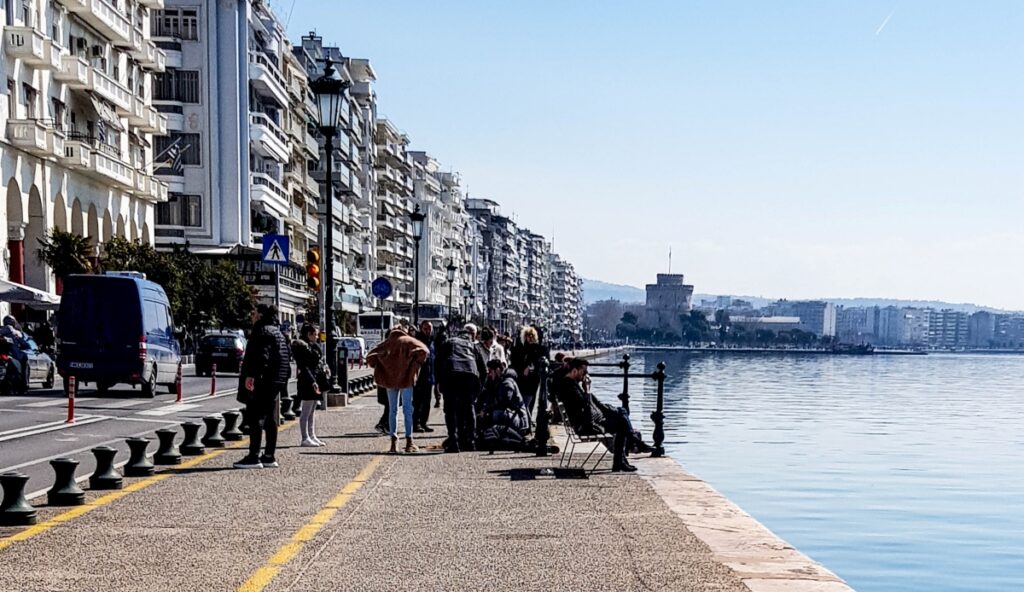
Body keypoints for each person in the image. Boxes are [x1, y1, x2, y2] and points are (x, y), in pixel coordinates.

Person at [551, 358, 641, 472]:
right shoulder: (568, 386)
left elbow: (585, 405)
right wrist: (587, 390)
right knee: (621, 424)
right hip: (585, 426)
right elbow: (584, 405)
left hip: (589, 422)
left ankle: (626, 451)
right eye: (584, 371)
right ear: (574, 371)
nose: (586, 375)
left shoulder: (571, 384)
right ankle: (626, 452)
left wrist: (586, 392)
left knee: (621, 415)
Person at [234, 304, 292, 469]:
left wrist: (252, 375)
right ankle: (269, 455)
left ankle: (254, 456)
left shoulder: (261, 331)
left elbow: (261, 356)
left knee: (255, 418)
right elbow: (285, 357)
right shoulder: (277, 332)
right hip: (276, 381)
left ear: (260, 315)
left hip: (263, 380)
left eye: (254, 313)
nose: (252, 316)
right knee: (270, 419)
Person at [366, 328, 430, 454]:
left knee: (392, 409)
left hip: (390, 380)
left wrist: (382, 365)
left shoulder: (387, 343)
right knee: (407, 409)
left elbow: (370, 357)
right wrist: (415, 365)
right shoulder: (408, 341)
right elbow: (424, 351)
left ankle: (393, 440)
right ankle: (409, 440)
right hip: (406, 380)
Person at [435, 324, 487, 453]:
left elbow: (437, 362)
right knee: (469, 408)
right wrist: (479, 387)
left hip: (451, 374)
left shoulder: (448, 342)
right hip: (469, 375)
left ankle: (454, 441)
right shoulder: (473, 345)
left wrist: (439, 382)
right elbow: (483, 370)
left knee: (450, 409)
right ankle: (471, 442)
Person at [477, 359, 529, 449]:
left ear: (497, 370)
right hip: (512, 416)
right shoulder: (497, 381)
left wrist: (486, 411)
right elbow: (488, 399)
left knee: (498, 413)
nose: (489, 374)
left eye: (490, 371)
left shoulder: (507, 383)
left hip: (518, 419)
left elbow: (504, 403)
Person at [292, 323, 329, 448]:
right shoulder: (302, 348)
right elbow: (304, 366)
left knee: (312, 410)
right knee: (306, 410)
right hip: (307, 381)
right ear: (309, 334)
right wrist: (312, 381)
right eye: (315, 334)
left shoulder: (313, 346)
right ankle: (305, 437)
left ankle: (312, 435)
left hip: (315, 379)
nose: (317, 336)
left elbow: (318, 361)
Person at [511, 326, 547, 425]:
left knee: (528, 401)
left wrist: (531, 367)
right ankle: (526, 423)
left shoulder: (539, 349)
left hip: (533, 380)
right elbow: (515, 362)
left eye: (531, 335)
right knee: (522, 401)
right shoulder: (520, 348)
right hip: (521, 378)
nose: (529, 337)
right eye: (527, 335)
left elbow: (540, 361)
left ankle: (526, 423)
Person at [412, 320, 436, 433]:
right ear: (421, 328)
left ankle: (423, 423)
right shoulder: (418, 341)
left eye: (430, 329)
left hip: (430, 377)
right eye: (426, 328)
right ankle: (415, 424)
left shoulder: (431, 341)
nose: (428, 331)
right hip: (419, 377)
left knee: (427, 402)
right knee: (418, 403)